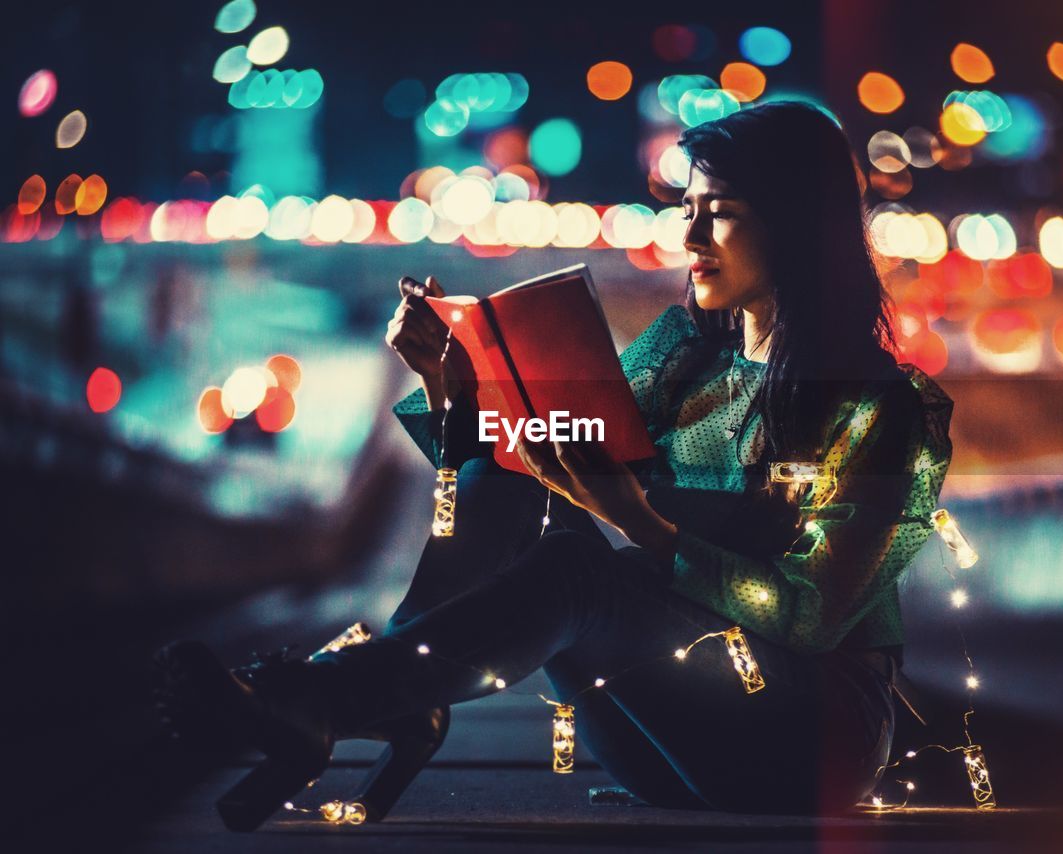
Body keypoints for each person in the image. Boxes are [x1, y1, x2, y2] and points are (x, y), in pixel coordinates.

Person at [153, 100, 953, 830]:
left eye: (724, 216)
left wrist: (641, 522)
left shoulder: (878, 407)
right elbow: (516, 468)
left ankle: (334, 698)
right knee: (517, 475)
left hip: (806, 744)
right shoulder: (683, 358)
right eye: (689, 212)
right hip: (661, 740)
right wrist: (450, 384)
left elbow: (811, 615)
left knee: (579, 567)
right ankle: (398, 686)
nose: (691, 239)